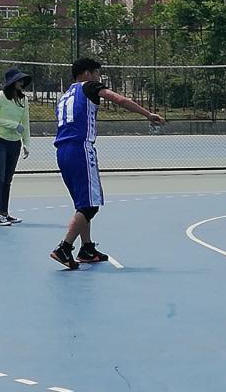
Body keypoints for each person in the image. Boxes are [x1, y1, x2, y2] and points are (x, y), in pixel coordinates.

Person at [50, 58, 164, 269]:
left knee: (82, 203)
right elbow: (118, 99)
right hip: (80, 149)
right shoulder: (89, 86)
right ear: (87, 74)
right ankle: (64, 248)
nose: (98, 78)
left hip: (62, 151)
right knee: (90, 206)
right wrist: (148, 114)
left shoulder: (65, 96)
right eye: (97, 73)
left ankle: (87, 248)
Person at [0, 68, 32, 226]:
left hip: (14, 143)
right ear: (12, 82)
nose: (22, 82)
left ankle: (4, 213)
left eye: (22, 80)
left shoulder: (24, 100)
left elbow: (25, 123)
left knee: (7, 179)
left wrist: (26, 143)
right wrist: (12, 124)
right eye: (19, 80)